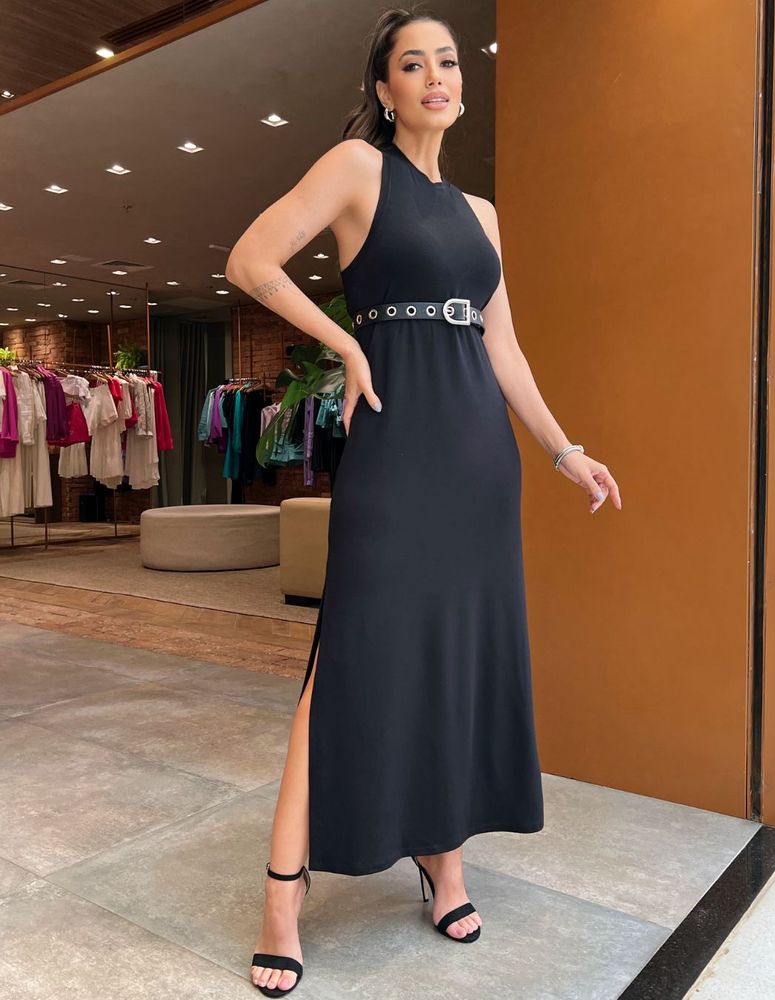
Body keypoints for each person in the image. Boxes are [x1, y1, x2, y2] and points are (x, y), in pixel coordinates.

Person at [225, 6, 623, 996]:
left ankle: (443, 863)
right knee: (346, 664)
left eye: (448, 60)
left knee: (455, 660)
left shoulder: (481, 214)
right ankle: (282, 896)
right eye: (414, 64)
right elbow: (250, 261)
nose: (438, 75)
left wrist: (564, 448)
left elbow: (502, 344)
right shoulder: (357, 169)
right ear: (384, 88)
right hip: (396, 449)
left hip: (478, 459)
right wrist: (347, 343)